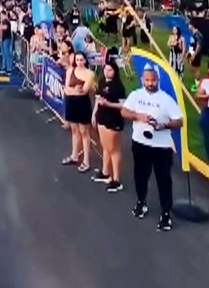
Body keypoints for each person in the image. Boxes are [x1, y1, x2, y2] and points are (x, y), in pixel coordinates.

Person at [120, 64, 184, 229]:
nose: (150, 83)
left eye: (153, 80)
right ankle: (141, 202)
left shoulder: (166, 99)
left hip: (161, 147)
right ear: (142, 80)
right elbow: (124, 112)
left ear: (158, 80)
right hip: (140, 143)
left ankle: (166, 214)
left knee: (163, 180)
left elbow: (180, 121)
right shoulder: (136, 95)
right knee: (140, 176)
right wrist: (138, 116)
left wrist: (164, 125)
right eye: (147, 80)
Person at [91, 59, 127, 191]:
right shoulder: (101, 82)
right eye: (105, 69)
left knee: (113, 149)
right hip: (102, 117)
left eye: (110, 70)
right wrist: (94, 113)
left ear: (115, 71)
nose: (107, 72)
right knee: (105, 147)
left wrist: (109, 104)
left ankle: (116, 179)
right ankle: (105, 172)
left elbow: (123, 104)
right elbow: (97, 99)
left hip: (113, 120)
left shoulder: (118, 87)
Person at [61, 51, 96, 172]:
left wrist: (71, 90)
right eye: (77, 60)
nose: (79, 62)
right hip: (71, 103)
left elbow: (84, 91)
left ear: (85, 61)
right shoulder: (70, 71)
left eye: (81, 60)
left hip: (82, 104)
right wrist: (73, 90)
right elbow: (66, 88)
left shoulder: (90, 74)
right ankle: (74, 155)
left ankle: (86, 160)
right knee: (74, 130)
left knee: (84, 132)